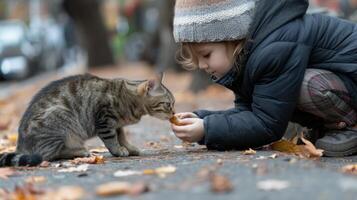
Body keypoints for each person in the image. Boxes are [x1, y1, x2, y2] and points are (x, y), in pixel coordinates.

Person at [170, 0, 357, 157]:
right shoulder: (246, 55)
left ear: (232, 39)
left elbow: (266, 124)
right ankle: (326, 126)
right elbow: (249, 112)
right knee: (284, 92)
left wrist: (207, 129)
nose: (202, 66)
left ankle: (350, 127)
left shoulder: (273, 48)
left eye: (206, 55)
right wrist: (202, 119)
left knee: (305, 85)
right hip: (344, 82)